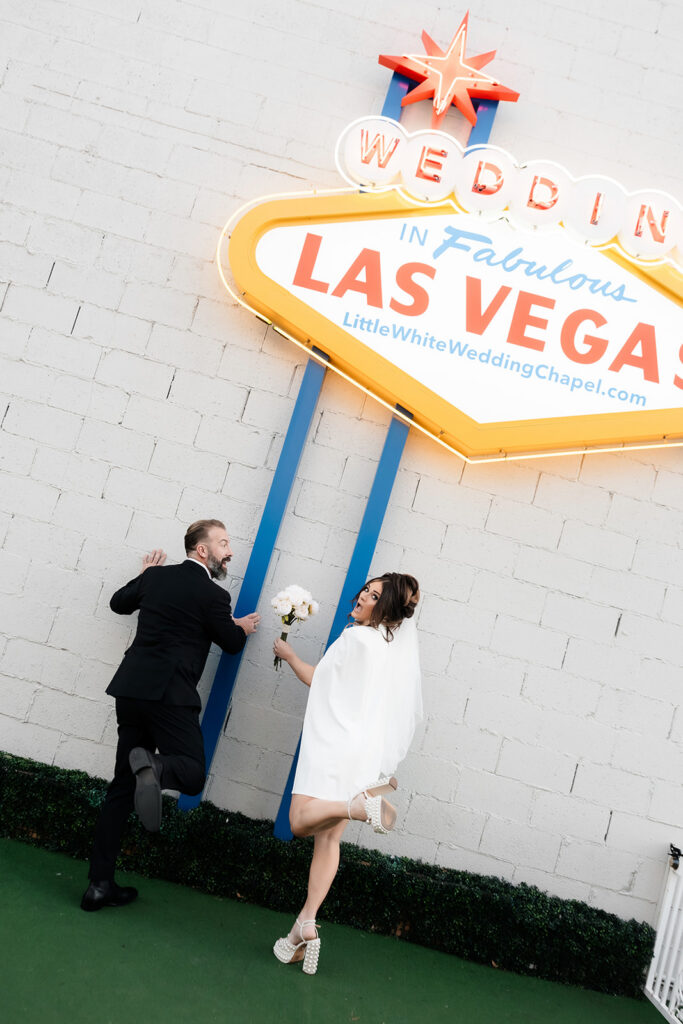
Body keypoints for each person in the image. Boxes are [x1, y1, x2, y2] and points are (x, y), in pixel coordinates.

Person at [80, 519, 260, 912]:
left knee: (121, 788)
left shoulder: (155, 579)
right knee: (192, 773)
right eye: (224, 543)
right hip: (169, 696)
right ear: (202, 550)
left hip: (130, 690)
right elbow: (229, 643)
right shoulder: (214, 595)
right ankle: (156, 769)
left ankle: (99, 885)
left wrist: (144, 576)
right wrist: (241, 627)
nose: (229, 551)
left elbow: (118, 602)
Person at [271, 572, 421, 975]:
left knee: (300, 822)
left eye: (373, 596)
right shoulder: (387, 649)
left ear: (385, 609)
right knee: (329, 840)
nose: (362, 598)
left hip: (333, 747)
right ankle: (304, 925)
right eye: (365, 590)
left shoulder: (355, 638)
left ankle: (355, 807)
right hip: (363, 755)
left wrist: (288, 656)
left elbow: (316, 679)